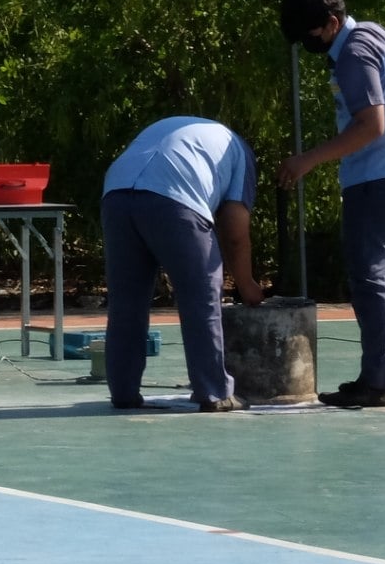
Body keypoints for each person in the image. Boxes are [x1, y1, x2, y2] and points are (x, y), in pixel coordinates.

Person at [277, 0, 385, 408]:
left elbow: (370, 125)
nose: (309, 44)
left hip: (384, 176)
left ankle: (376, 382)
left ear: (331, 23)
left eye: (312, 34)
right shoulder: (375, 33)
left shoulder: (353, 52)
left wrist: (307, 160)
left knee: (371, 276)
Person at [100, 116, 264, 412]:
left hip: (116, 193)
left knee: (127, 302)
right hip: (174, 198)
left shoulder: (188, 130)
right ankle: (214, 392)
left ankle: (124, 391)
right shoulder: (240, 152)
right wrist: (247, 285)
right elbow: (235, 231)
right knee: (201, 295)